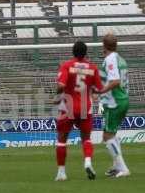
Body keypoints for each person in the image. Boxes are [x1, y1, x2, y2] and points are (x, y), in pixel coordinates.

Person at [55, 41, 103, 181]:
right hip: (84, 107)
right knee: (86, 139)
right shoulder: (92, 68)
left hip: (68, 106)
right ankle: (87, 162)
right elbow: (98, 88)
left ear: (73, 52)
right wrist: (92, 91)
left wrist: (56, 96)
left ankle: (61, 173)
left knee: (62, 139)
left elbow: (61, 85)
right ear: (85, 52)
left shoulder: (67, 66)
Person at [97, 34, 130, 178]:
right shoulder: (120, 59)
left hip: (115, 102)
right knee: (112, 134)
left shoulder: (110, 59)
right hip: (122, 99)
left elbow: (115, 81)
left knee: (107, 136)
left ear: (104, 45)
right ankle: (117, 166)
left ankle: (122, 168)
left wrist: (100, 91)